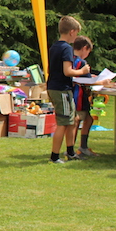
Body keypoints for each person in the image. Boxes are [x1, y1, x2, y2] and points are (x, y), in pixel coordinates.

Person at [48, 16, 90, 164]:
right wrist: (83, 71)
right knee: (63, 122)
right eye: (77, 33)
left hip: (55, 87)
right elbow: (68, 71)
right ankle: (55, 156)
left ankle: (71, 151)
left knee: (73, 120)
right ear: (72, 32)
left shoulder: (54, 46)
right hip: (62, 89)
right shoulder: (66, 48)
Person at [71, 35, 98, 158]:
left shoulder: (70, 59)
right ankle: (72, 149)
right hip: (79, 96)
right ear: (85, 48)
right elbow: (84, 80)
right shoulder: (81, 62)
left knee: (88, 119)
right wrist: (100, 81)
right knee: (77, 121)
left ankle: (83, 147)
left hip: (75, 94)